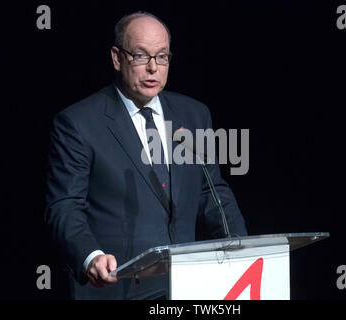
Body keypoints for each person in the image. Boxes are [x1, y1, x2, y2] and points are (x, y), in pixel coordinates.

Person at [45, 11, 247, 299]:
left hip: (185, 285)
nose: (153, 67)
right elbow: (64, 206)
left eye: (162, 56)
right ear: (117, 58)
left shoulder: (193, 115)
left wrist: (244, 249)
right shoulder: (78, 123)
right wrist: (91, 256)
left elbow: (212, 192)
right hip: (116, 286)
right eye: (141, 56)